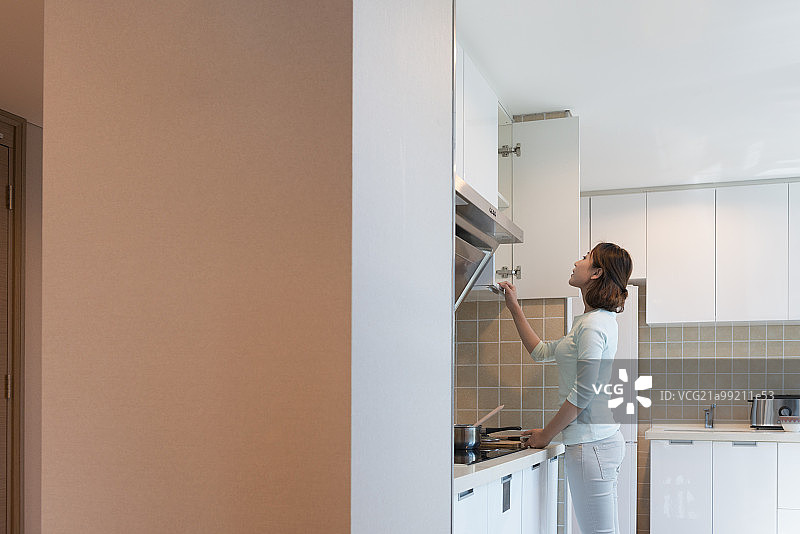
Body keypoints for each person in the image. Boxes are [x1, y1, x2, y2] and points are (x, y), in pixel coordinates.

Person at [497, 242, 633, 534]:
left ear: (596, 273)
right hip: (597, 443)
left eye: (585, 258)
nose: (576, 262)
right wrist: (514, 307)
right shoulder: (589, 322)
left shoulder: (594, 325)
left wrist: (546, 435)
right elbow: (541, 351)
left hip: (592, 445)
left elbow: (584, 392)